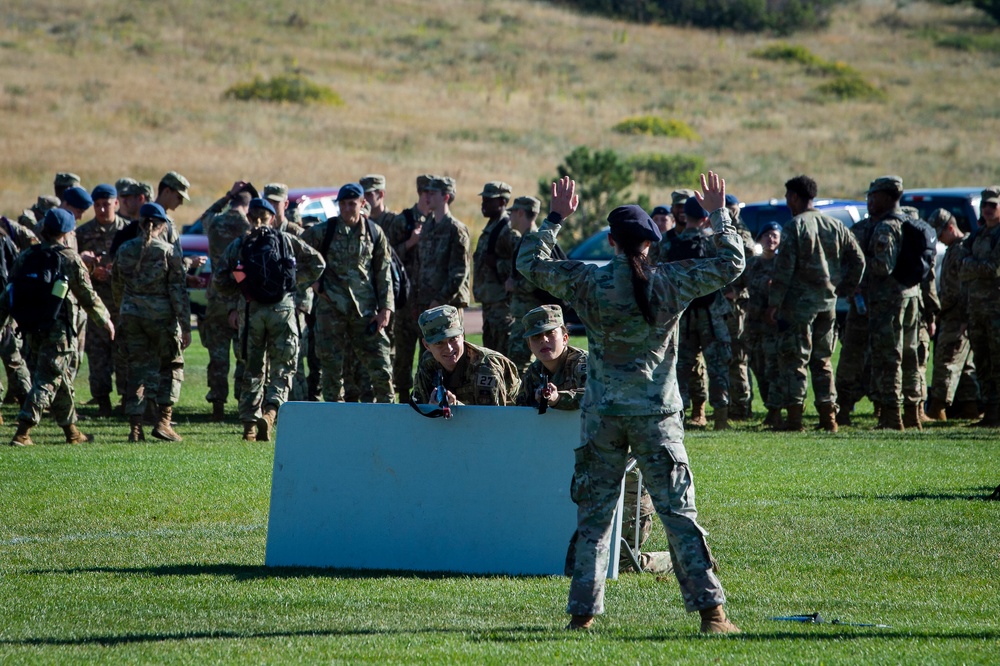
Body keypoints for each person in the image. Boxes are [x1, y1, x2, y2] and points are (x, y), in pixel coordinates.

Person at [517, 173, 743, 634]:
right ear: (649, 244)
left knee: (595, 518)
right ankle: (712, 615)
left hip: (602, 417)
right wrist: (719, 213)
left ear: (615, 244)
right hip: (657, 416)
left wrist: (556, 218)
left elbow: (529, 261)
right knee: (678, 515)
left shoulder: (588, 281)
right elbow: (732, 262)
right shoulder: (671, 282)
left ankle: (582, 616)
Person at [214, 198, 325, 441]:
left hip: (251, 310)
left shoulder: (240, 244)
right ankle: (271, 412)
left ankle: (249, 426)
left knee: (253, 367)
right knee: (282, 366)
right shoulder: (285, 239)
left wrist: (240, 290)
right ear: (272, 218)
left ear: (249, 218)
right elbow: (318, 262)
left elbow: (219, 280)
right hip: (282, 310)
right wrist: (294, 284)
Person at [4, 208, 114, 446]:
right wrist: (105, 320)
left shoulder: (27, 255)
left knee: (59, 378)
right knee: (47, 380)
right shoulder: (69, 258)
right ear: (66, 232)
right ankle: (23, 431)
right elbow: (87, 294)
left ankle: (72, 432)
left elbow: (10, 291)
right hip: (58, 330)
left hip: (31, 327)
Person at [767, 174, 865, 432]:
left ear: (796, 197)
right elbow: (859, 260)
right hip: (828, 304)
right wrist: (843, 288)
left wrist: (774, 302)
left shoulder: (794, 226)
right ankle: (828, 418)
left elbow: (784, 268)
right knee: (822, 360)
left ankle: (795, 419)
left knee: (795, 359)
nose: (787, 201)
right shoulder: (835, 224)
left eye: (788, 196)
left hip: (799, 306)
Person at [302, 183, 395, 404]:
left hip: (365, 312)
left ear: (363, 204)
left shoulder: (374, 233)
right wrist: (314, 283)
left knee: (381, 367)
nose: (346, 209)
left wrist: (386, 309)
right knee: (332, 371)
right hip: (331, 310)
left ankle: (388, 419)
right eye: (342, 204)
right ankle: (335, 423)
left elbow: (384, 273)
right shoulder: (324, 231)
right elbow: (296, 256)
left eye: (351, 204)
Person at [112, 203, 191, 442]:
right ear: (162, 225)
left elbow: (116, 284)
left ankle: (135, 429)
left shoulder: (125, 249)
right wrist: (185, 325)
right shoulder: (168, 251)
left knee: (136, 368)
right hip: (161, 318)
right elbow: (178, 291)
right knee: (171, 366)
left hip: (132, 316)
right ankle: (163, 422)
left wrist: (122, 310)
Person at [670, 197, 733, 430]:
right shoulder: (713, 243)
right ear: (706, 217)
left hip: (682, 314)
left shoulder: (670, 244)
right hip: (711, 313)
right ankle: (721, 418)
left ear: (685, 215)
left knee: (680, 368)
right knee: (717, 366)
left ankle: (680, 415)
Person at [864, 176, 922, 430]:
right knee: (911, 356)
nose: (870, 202)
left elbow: (882, 267)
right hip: (911, 296)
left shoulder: (886, 227)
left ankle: (891, 415)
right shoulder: (910, 220)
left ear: (887, 198)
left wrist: (861, 263)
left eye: (873, 196)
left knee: (889, 357)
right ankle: (913, 413)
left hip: (889, 301)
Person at [198, 182, 253, 421]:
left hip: (217, 300)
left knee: (218, 357)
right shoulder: (249, 227)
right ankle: (243, 405)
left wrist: (226, 195)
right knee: (244, 356)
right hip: (242, 299)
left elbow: (205, 215)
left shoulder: (215, 223)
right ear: (248, 205)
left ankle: (217, 405)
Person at [77, 183, 130, 416]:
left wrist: (115, 271)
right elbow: (74, 267)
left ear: (116, 204)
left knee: (125, 354)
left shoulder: (128, 231)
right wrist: (92, 272)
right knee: (98, 356)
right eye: (97, 205)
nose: (101, 209)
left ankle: (128, 401)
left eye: (106, 204)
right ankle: (102, 403)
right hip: (97, 305)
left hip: (123, 304)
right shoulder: (83, 233)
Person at [925, 208, 980, 420]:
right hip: (956, 314)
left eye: (940, 234)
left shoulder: (962, 249)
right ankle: (969, 408)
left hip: (956, 316)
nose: (939, 239)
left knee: (946, 361)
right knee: (965, 364)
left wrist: (938, 311)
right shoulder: (955, 248)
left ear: (950, 227)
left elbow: (956, 289)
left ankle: (937, 408)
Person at [411, 305, 519, 406]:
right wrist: (431, 409)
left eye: (453, 339)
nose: (449, 348)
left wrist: (456, 407)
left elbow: (493, 420)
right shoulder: (428, 362)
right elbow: (419, 406)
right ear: (427, 345)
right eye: (439, 343)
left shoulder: (486, 367)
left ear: (462, 335)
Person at [385, 174, 433, 400]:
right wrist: (410, 243)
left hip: (429, 304)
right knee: (403, 358)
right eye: (428, 193)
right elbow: (388, 257)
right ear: (421, 193)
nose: (430, 197)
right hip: (405, 302)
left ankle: (427, 397)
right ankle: (403, 399)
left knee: (430, 357)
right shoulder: (402, 221)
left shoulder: (439, 223)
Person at [959, 186, 1000, 427]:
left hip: (996, 311)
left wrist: (970, 264)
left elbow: (992, 268)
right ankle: (990, 414)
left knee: (998, 363)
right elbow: (962, 271)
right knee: (982, 363)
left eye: (993, 205)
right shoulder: (979, 235)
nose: (987, 210)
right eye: (985, 205)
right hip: (976, 311)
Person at [743, 221, 783, 426]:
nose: (771, 239)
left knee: (773, 368)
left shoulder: (783, 264)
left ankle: (775, 411)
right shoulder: (752, 264)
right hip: (753, 326)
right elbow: (735, 286)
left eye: (775, 236)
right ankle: (770, 405)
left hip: (774, 328)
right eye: (767, 235)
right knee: (758, 368)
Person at [473, 181, 516, 354]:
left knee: (503, 354)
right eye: (483, 200)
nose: (483, 204)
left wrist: (497, 263)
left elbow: (519, 264)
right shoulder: (492, 227)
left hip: (502, 305)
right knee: (490, 354)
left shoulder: (507, 229)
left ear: (501, 202)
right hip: (490, 303)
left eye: (488, 201)